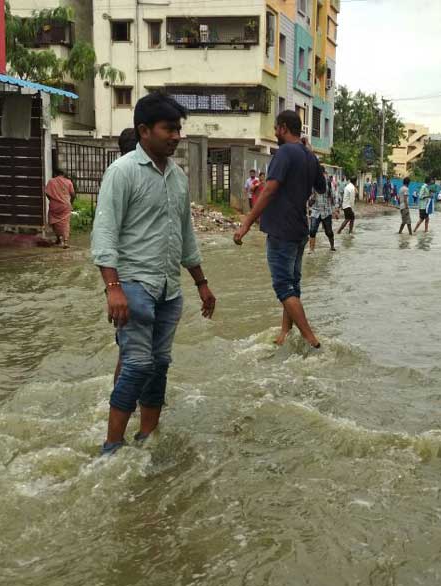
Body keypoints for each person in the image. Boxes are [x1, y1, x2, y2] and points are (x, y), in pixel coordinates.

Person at [91, 92, 217, 455]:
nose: (176, 136)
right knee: (137, 364)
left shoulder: (177, 178)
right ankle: (112, 445)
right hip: (133, 286)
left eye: (178, 128)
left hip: (168, 289)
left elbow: (185, 235)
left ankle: (147, 436)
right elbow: (105, 233)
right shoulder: (123, 172)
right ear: (144, 130)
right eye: (169, 129)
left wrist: (202, 284)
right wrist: (113, 288)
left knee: (159, 365)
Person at [232, 110, 326, 349]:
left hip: (282, 230)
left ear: (283, 127)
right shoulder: (309, 156)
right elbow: (322, 187)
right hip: (299, 230)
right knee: (292, 285)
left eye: (275, 128)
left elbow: (270, 189)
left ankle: (309, 337)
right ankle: (285, 331)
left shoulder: (285, 152)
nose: (274, 133)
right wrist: (311, 155)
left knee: (283, 286)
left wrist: (247, 222)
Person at [308, 165, 335, 253]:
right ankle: (311, 250)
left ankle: (332, 247)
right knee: (312, 230)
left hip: (326, 211)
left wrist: (336, 210)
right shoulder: (312, 183)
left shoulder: (328, 183)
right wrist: (312, 199)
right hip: (315, 211)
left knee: (329, 232)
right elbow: (310, 201)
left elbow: (333, 196)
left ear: (324, 173)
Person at [45, 168, 75, 248]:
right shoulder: (68, 182)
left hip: (54, 205)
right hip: (65, 205)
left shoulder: (51, 181)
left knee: (54, 221)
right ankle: (65, 241)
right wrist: (70, 203)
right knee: (65, 223)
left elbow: (47, 193)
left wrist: (52, 200)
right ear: (63, 174)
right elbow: (73, 194)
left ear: (55, 174)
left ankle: (58, 239)